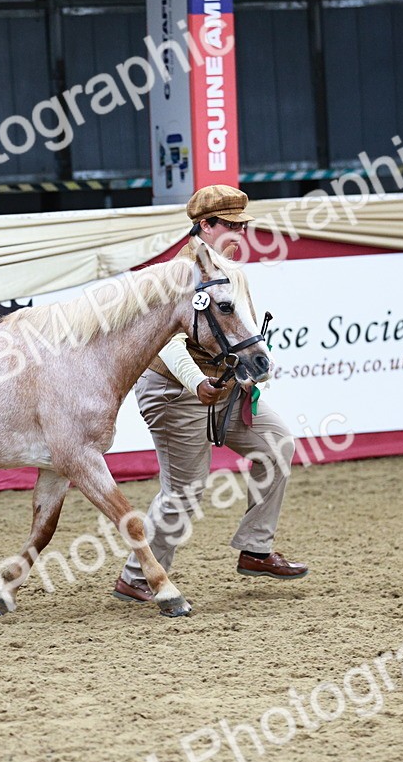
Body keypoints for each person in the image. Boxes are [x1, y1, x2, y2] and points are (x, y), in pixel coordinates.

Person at [113, 184, 308, 604]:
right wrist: (196, 383)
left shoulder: (226, 268)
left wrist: (254, 373)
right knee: (184, 490)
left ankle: (256, 548)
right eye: (231, 226)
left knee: (276, 443)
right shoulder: (177, 275)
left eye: (243, 224)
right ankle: (136, 577)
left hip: (225, 384)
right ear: (206, 226)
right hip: (174, 389)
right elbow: (166, 342)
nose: (240, 233)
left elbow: (242, 327)